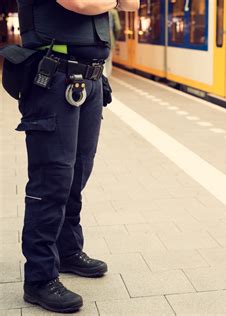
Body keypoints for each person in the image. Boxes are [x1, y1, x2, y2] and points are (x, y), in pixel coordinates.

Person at [2, 0, 138, 313]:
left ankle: (68, 251)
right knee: (52, 181)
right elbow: (82, 2)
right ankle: (39, 279)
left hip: (89, 80)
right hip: (53, 80)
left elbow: (133, 4)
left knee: (77, 174)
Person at [104, 8, 122, 77]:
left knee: (100, 61)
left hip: (98, 39)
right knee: (108, 61)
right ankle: (106, 80)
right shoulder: (113, 12)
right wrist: (115, 38)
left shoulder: (97, 8)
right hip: (109, 39)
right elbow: (118, 28)